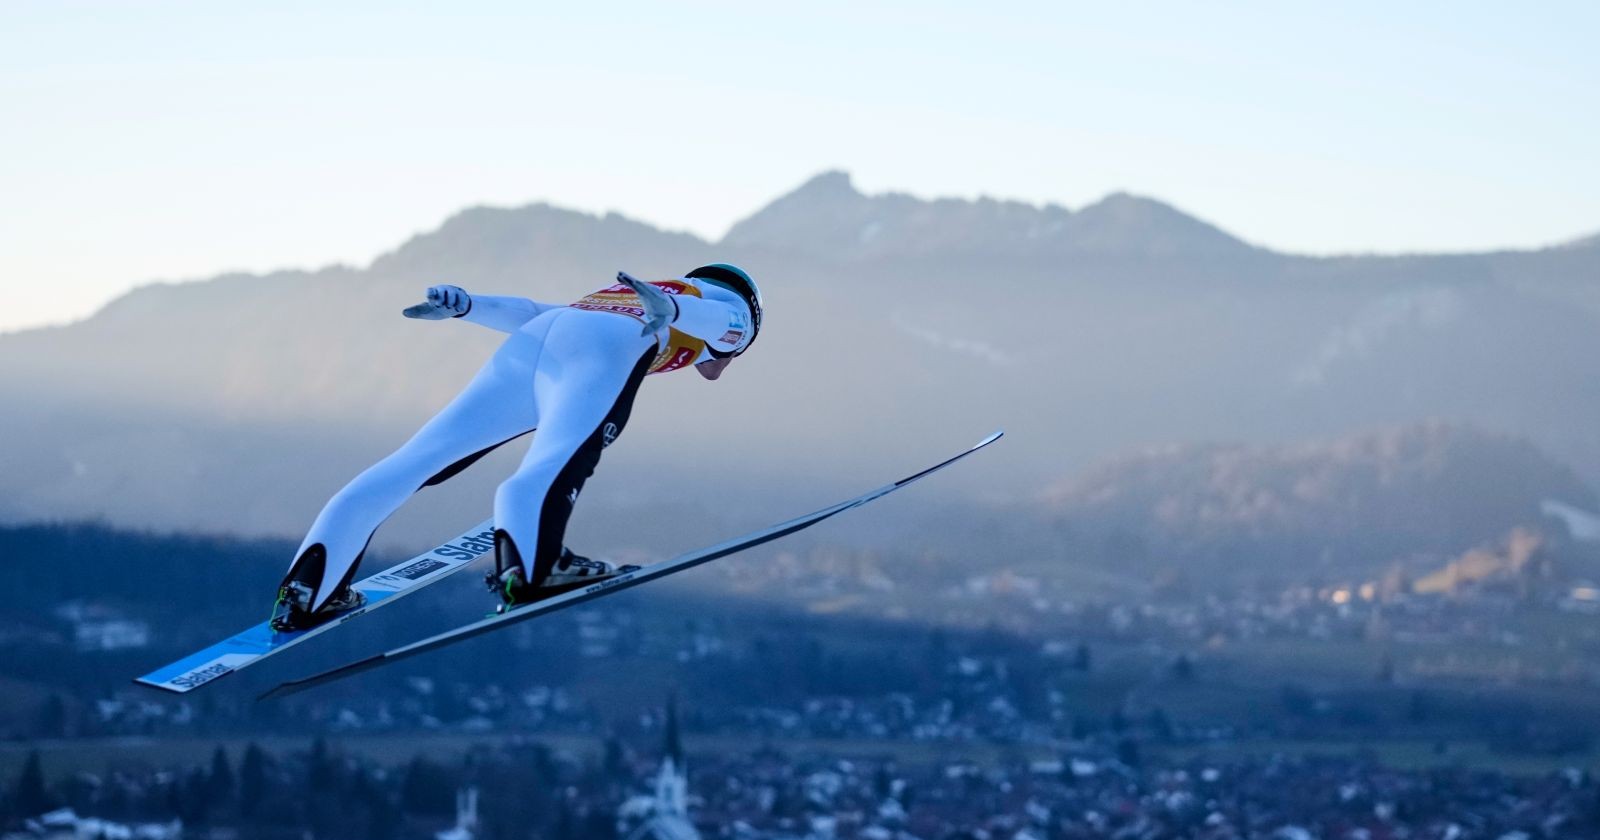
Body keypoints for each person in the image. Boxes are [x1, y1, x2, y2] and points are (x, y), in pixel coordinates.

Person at [271, 265, 762, 630]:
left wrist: (469, 306)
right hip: (605, 345)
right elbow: (728, 326)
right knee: (559, 458)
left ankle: (309, 591)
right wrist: (676, 311)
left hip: (537, 340)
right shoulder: (725, 307)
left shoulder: (625, 295)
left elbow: (534, 312)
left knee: (413, 462)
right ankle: (534, 571)